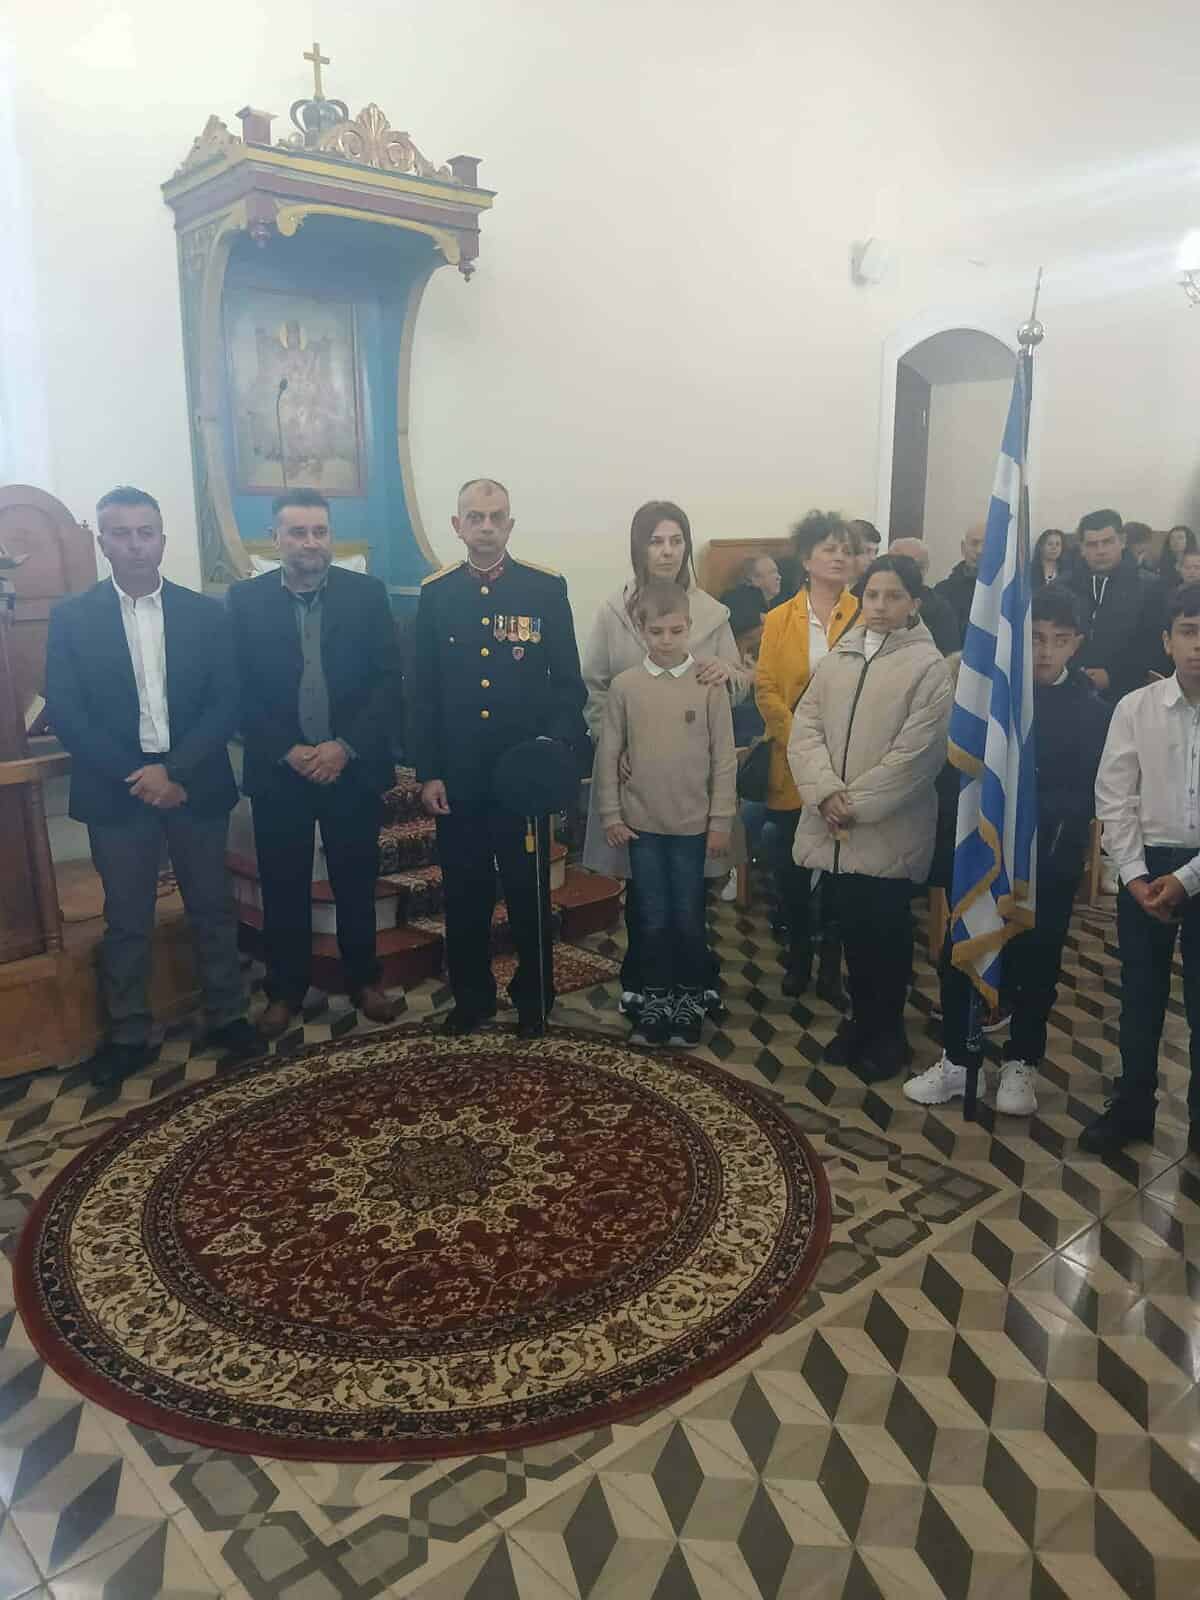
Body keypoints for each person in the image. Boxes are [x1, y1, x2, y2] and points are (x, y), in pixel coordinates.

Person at [45, 487, 259, 1087]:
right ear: (103, 541)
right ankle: (128, 1033)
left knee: (212, 906)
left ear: (162, 539)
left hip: (194, 782)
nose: (135, 544)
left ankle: (227, 1015)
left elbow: (227, 700)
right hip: (118, 788)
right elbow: (67, 711)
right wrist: (138, 776)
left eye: (146, 532)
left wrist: (176, 771)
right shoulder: (73, 618)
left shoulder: (205, 614)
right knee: (127, 916)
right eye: (122, 533)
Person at [906, 588, 1111, 1114]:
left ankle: (1022, 1061)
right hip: (983, 850)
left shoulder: (1091, 711)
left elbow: (1091, 790)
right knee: (963, 952)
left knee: (1037, 962)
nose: (1045, 651)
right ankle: (958, 1059)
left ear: (1077, 644)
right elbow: (959, 771)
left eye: (1059, 640)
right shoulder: (987, 699)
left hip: (1048, 859)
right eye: (1035, 638)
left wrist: (1031, 814)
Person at [410, 478, 588, 1038]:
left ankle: (535, 996)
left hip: (522, 777)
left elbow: (568, 686)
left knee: (527, 891)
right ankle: (472, 998)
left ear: (510, 524)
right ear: (457, 526)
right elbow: (423, 693)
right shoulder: (437, 594)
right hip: (460, 775)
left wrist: (551, 751)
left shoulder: (544, 589)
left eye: (496, 516)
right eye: (475, 517)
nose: (486, 527)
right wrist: (429, 771)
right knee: (465, 893)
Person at [228, 488, 404, 1037]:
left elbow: (388, 681)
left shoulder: (367, 595)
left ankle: (364, 981)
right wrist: (287, 748)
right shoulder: (245, 600)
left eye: (320, 531)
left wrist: (343, 747)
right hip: (280, 770)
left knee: (355, 880)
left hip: (350, 766)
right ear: (275, 538)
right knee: (283, 885)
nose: (310, 542)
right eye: (298, 532)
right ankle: (284, 991)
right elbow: (235, 689)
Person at [788, 554, 953, 1080]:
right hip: (834, 825)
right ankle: (860, 1021)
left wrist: (851, 804)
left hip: (886, 828)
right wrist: (824, 793)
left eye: (894, 596)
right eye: (873, 595)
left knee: (886, 932)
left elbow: (916, 757)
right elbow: (805, 728)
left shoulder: (928, 667)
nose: (880, 606)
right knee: (851, 928)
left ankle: (888, 1032)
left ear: (914, 603)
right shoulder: (839, 657)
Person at [582, 500, 749, 1015]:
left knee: (691, 892)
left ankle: (696, 980)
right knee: (644, 889)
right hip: (635, 777)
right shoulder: (614, 610)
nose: (667, 551)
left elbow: (739, 681)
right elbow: (595, 688)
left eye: (676, 540)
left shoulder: (711, 612)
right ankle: (643, 980)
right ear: (639, 547)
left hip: (692, 779)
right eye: (656, 541)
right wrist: (614, 748)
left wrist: (727, 673)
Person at [1080, 583, 1200, 1157]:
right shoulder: (1136, 707)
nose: (1199, 646)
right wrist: (1132, 874)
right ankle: (1132, 1108)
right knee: (1141, 996)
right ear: (1167, 640)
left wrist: (1188, 879)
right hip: (1147, 868)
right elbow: (1115, 795)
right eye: (1189, 632)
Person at [595, 579, 737, 1046]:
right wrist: (612, 815)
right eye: (656, 632)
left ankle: (689, 1000)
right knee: (652, 918)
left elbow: (724, 759)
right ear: (641, 630)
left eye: (676, 631)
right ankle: (654, 1001)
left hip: (693, 828)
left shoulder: (709, 686)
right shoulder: (625, 687)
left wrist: (720, 821)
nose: (667, 640)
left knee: (689, 919)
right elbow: (609, 753)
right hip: (642, 828)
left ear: (689, 627)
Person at [755, 511, 861, 999]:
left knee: (841, 869)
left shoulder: (865, 614)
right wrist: (803, 742)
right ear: (806, 558)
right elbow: (766, 688)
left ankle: (831, 968)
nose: (839, 557)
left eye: (846, 550)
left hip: (849, 763)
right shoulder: (780, 618)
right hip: (793, 764)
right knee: (793, 868)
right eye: (828, 548)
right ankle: (798, 958)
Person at [1067, 508, 1160, 701]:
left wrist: (1113, 676)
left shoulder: (1150, 588)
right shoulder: (1063, 588)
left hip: (1129, 696)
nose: (1100, 550)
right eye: (1092, 544)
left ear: (1122, 541)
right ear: (1082, 548)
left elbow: (1154, 647)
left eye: (1107, 542)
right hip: (1071, 692)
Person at [888, 537, 961, 655]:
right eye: (901, 565)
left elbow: (949, 657)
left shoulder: (940, 608)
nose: (909, 572)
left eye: (918, 566)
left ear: (925, 568)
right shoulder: (871, 598)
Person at [933, 524, 985, 638]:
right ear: (963, 547)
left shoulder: (1003, 593)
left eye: (987, 545)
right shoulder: (942, 591)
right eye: (974, 543)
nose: (980, 551)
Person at [720, 552, 781, 618]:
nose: (779, 577)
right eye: (772, 573)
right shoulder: (735, 599)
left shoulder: (779, 599)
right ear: (755, 579)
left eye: (776, 571)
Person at [1158, 524, 1198, 588]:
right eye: (1172, 538)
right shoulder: (1164, 561)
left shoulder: (1197, 560)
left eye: (1180, 538)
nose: (1175, 541)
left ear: (1188, 540)